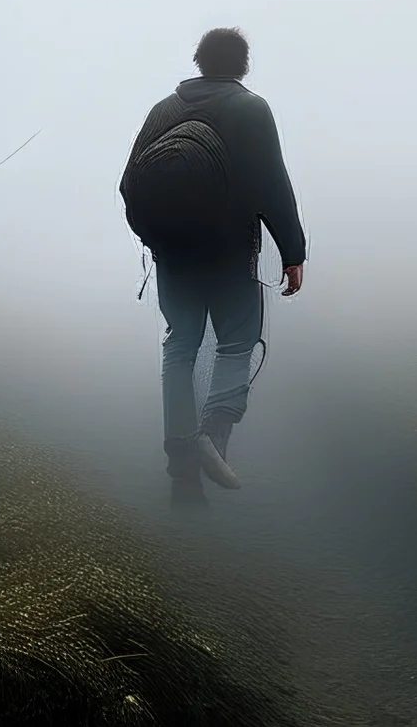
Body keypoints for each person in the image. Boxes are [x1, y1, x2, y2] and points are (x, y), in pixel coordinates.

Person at [120, 26, 306, 503]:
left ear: (199, 61)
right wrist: (293, 252)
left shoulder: (163, 109)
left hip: (174, 253)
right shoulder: (250, 108)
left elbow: (128, 184)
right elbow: (272, 183)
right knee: (237, 342)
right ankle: (212, 440)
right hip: (228, 251)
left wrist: (158, 236)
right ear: (243, 65)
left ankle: (181, 466)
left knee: (180, 344)